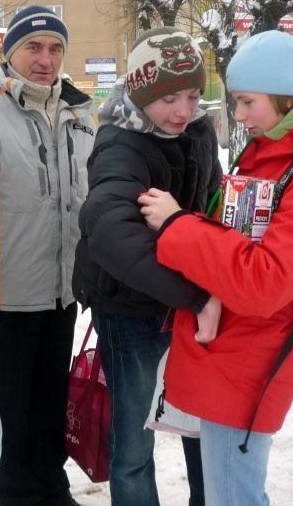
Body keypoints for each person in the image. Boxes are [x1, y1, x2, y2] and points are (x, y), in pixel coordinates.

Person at [138, 30, 293, 505]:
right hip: (231, 353)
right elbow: (235, 239)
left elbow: (264, 283)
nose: (238, 115)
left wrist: (176, 226)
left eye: (247, 101)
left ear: (283, 96)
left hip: (250, 361)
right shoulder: (271, 156)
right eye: (236, 102)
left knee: (233, 497)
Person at [0, 6, 95, 506]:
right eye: (34, 47)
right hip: (2, 296)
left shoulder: (81, 114)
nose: (45, 58)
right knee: (9, 411)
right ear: (9, 52)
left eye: (55, 48)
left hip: (61, 292)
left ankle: (52, 490)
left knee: (50, 402)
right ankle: (16, 495)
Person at [72, 26, 220, 506]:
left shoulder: (197, 133)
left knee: (203, 427)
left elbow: (213, 200)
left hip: (189, 304)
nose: (183, 110)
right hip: (132, 309)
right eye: (169, 97)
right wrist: (196, 294)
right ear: (139, 92)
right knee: (134, 440)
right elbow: (111, 233)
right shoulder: (121, 145)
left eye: (194, 95)